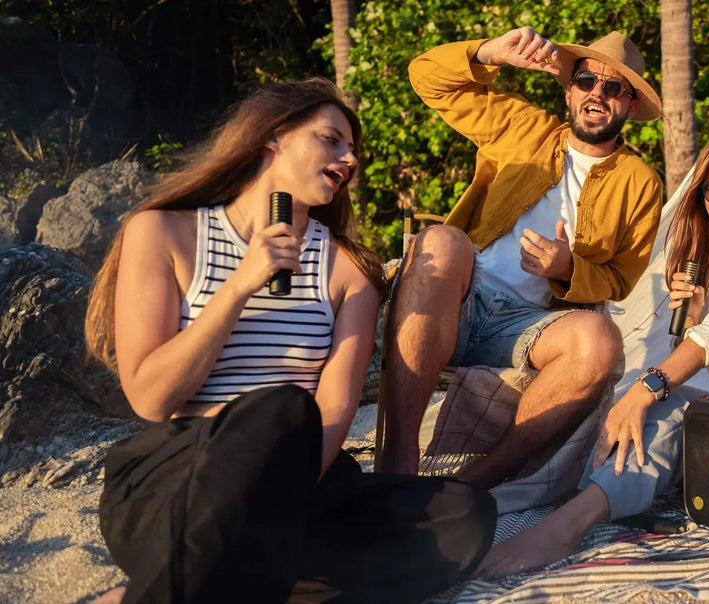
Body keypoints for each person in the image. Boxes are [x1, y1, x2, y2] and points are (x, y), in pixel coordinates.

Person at [82, 78, 494, 603]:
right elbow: (149, 397)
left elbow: (336, 410)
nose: (348, 159)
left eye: (353, 151)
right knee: (279, 411)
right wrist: (239, 287)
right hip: (179, 477)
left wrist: (274, 499)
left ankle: (227, 574)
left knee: (464, 517)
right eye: (331, 140)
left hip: (301, 481)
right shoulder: (164, 232)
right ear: (273, 137)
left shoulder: (350, 271)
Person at [475, 132, 709, 574]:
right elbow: (699, 339)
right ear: (702, 196)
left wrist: (648, 387)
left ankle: (565, 528)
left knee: (665, 413)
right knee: (620, 408)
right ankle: (527, 498)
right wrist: (691, 313)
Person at [377, 26, 665, 489]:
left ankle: (476, 483)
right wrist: (491, 52)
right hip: (459, 298)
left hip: (530, 326)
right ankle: (397, 464)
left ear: (630, 106)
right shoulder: (522, 126)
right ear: (569, 89)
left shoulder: (641, 182)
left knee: (601, 340)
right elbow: (426, 77)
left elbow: (621, 279)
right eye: (587, 81)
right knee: (443, 240)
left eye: (614, 88)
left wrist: (567, 268)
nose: (597, 93)